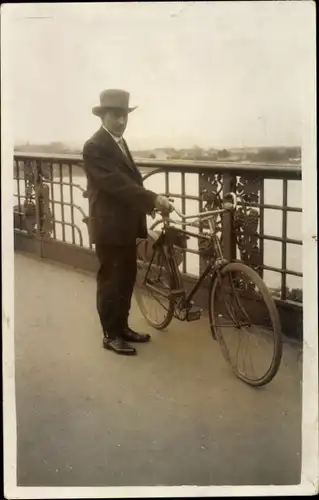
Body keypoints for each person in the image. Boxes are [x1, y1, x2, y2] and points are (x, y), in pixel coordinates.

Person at [82, 89, 171, 356]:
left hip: (124, 224)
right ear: (103, 115)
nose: (121, 121)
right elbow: (116, 184)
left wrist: (146, 204)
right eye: (115, 115)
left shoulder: (118, 141)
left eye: (124, 115)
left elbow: (129, 181)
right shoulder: (95, 146)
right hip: (109, 225)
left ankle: (122, 327)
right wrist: (152, 199)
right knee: (111, 279)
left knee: (127, 277)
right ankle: (110, 335)